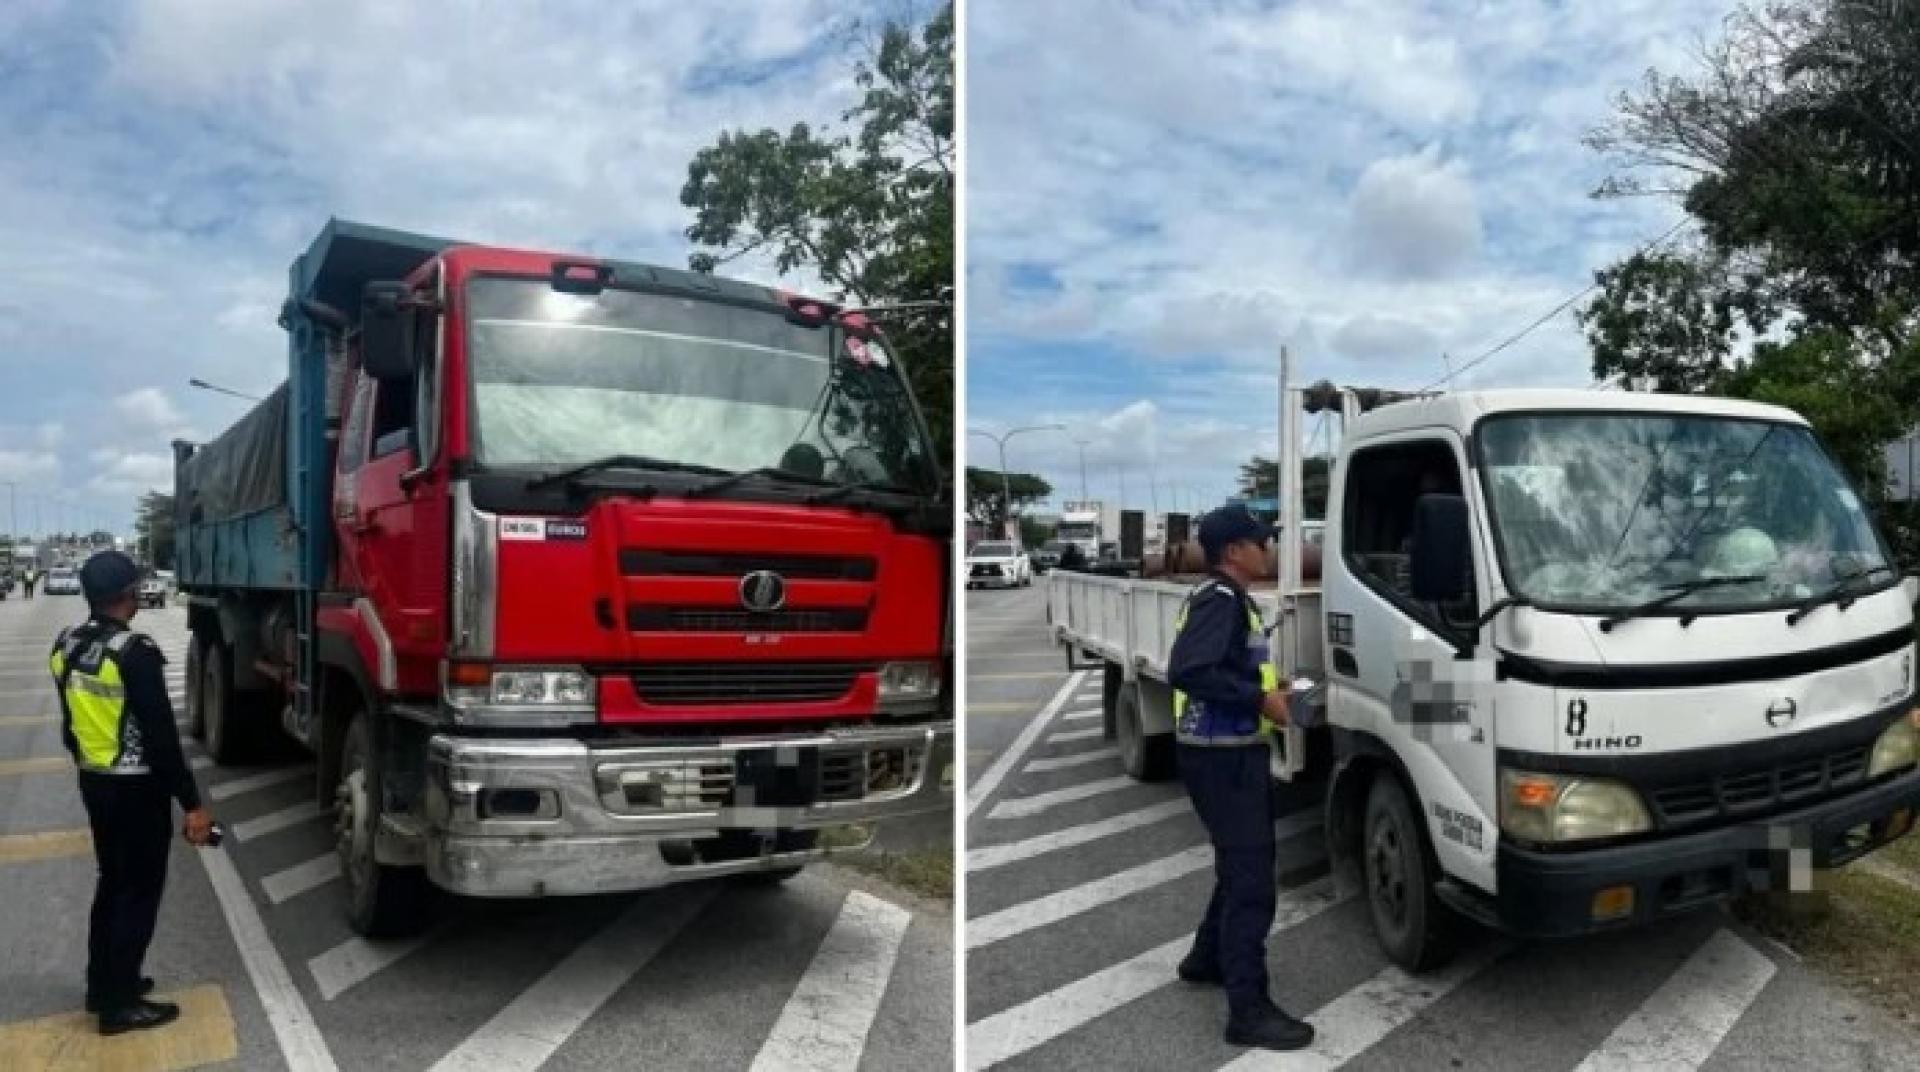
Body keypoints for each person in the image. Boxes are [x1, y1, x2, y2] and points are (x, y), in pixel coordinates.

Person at [1165, 505, 1314, 1052]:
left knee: (1238, 864)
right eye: (1260, 540)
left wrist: (1277, 687)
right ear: (1233, 551)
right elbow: (1189, 669)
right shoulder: (1220, 602)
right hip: (1221, 758)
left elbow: (1224, 668)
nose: (1267, 547)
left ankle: (1206, 959)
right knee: (1252, 880)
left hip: (1226, 752)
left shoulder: (1230, 602)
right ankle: (1247, 1012)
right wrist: (1258, 699)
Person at [49, 550, 214, 1035]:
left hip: (94, 782)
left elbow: (69, 724)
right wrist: (193, 804)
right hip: (137, 789)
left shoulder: (69, 644)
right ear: (127, 594)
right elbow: (162, 739)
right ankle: (119, 1006)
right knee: (138, 893)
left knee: (111, 884)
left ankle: (104, 984)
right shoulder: (133, 652)